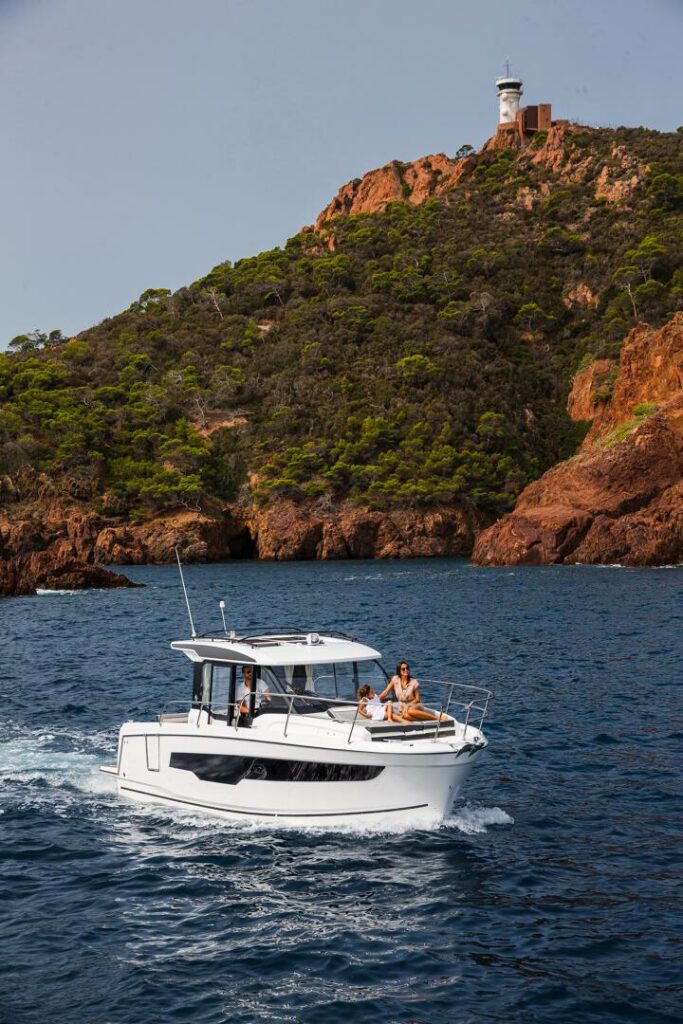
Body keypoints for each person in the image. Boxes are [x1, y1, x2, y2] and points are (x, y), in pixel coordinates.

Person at [379, 661, 447, 722]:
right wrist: (377, 700)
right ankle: (423, 720)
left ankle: (437, 718)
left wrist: (408, 705)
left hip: (415, 704)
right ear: (399, 671)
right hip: (402, 706)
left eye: (407, 668)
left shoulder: (414, 682)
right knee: (405, 716)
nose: (406, 670)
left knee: (410, 711)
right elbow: (386, 692)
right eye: (403, 669)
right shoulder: (395, 679)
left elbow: (417, 699)